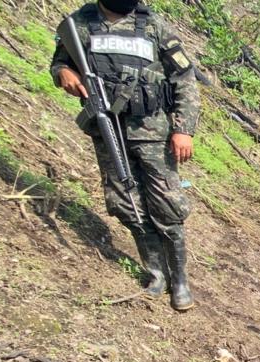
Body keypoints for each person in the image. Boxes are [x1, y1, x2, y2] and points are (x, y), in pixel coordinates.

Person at [50, 0, 200, 310]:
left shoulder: (154, 25)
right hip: (108, 129)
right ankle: (156, 272)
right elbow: (60, 62)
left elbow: (184, 78)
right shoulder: (80, 23)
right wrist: (63, 72)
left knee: (168, 205)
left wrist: (183, 128)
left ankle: (180, 279)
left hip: (153, 132)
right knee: (125, 202)